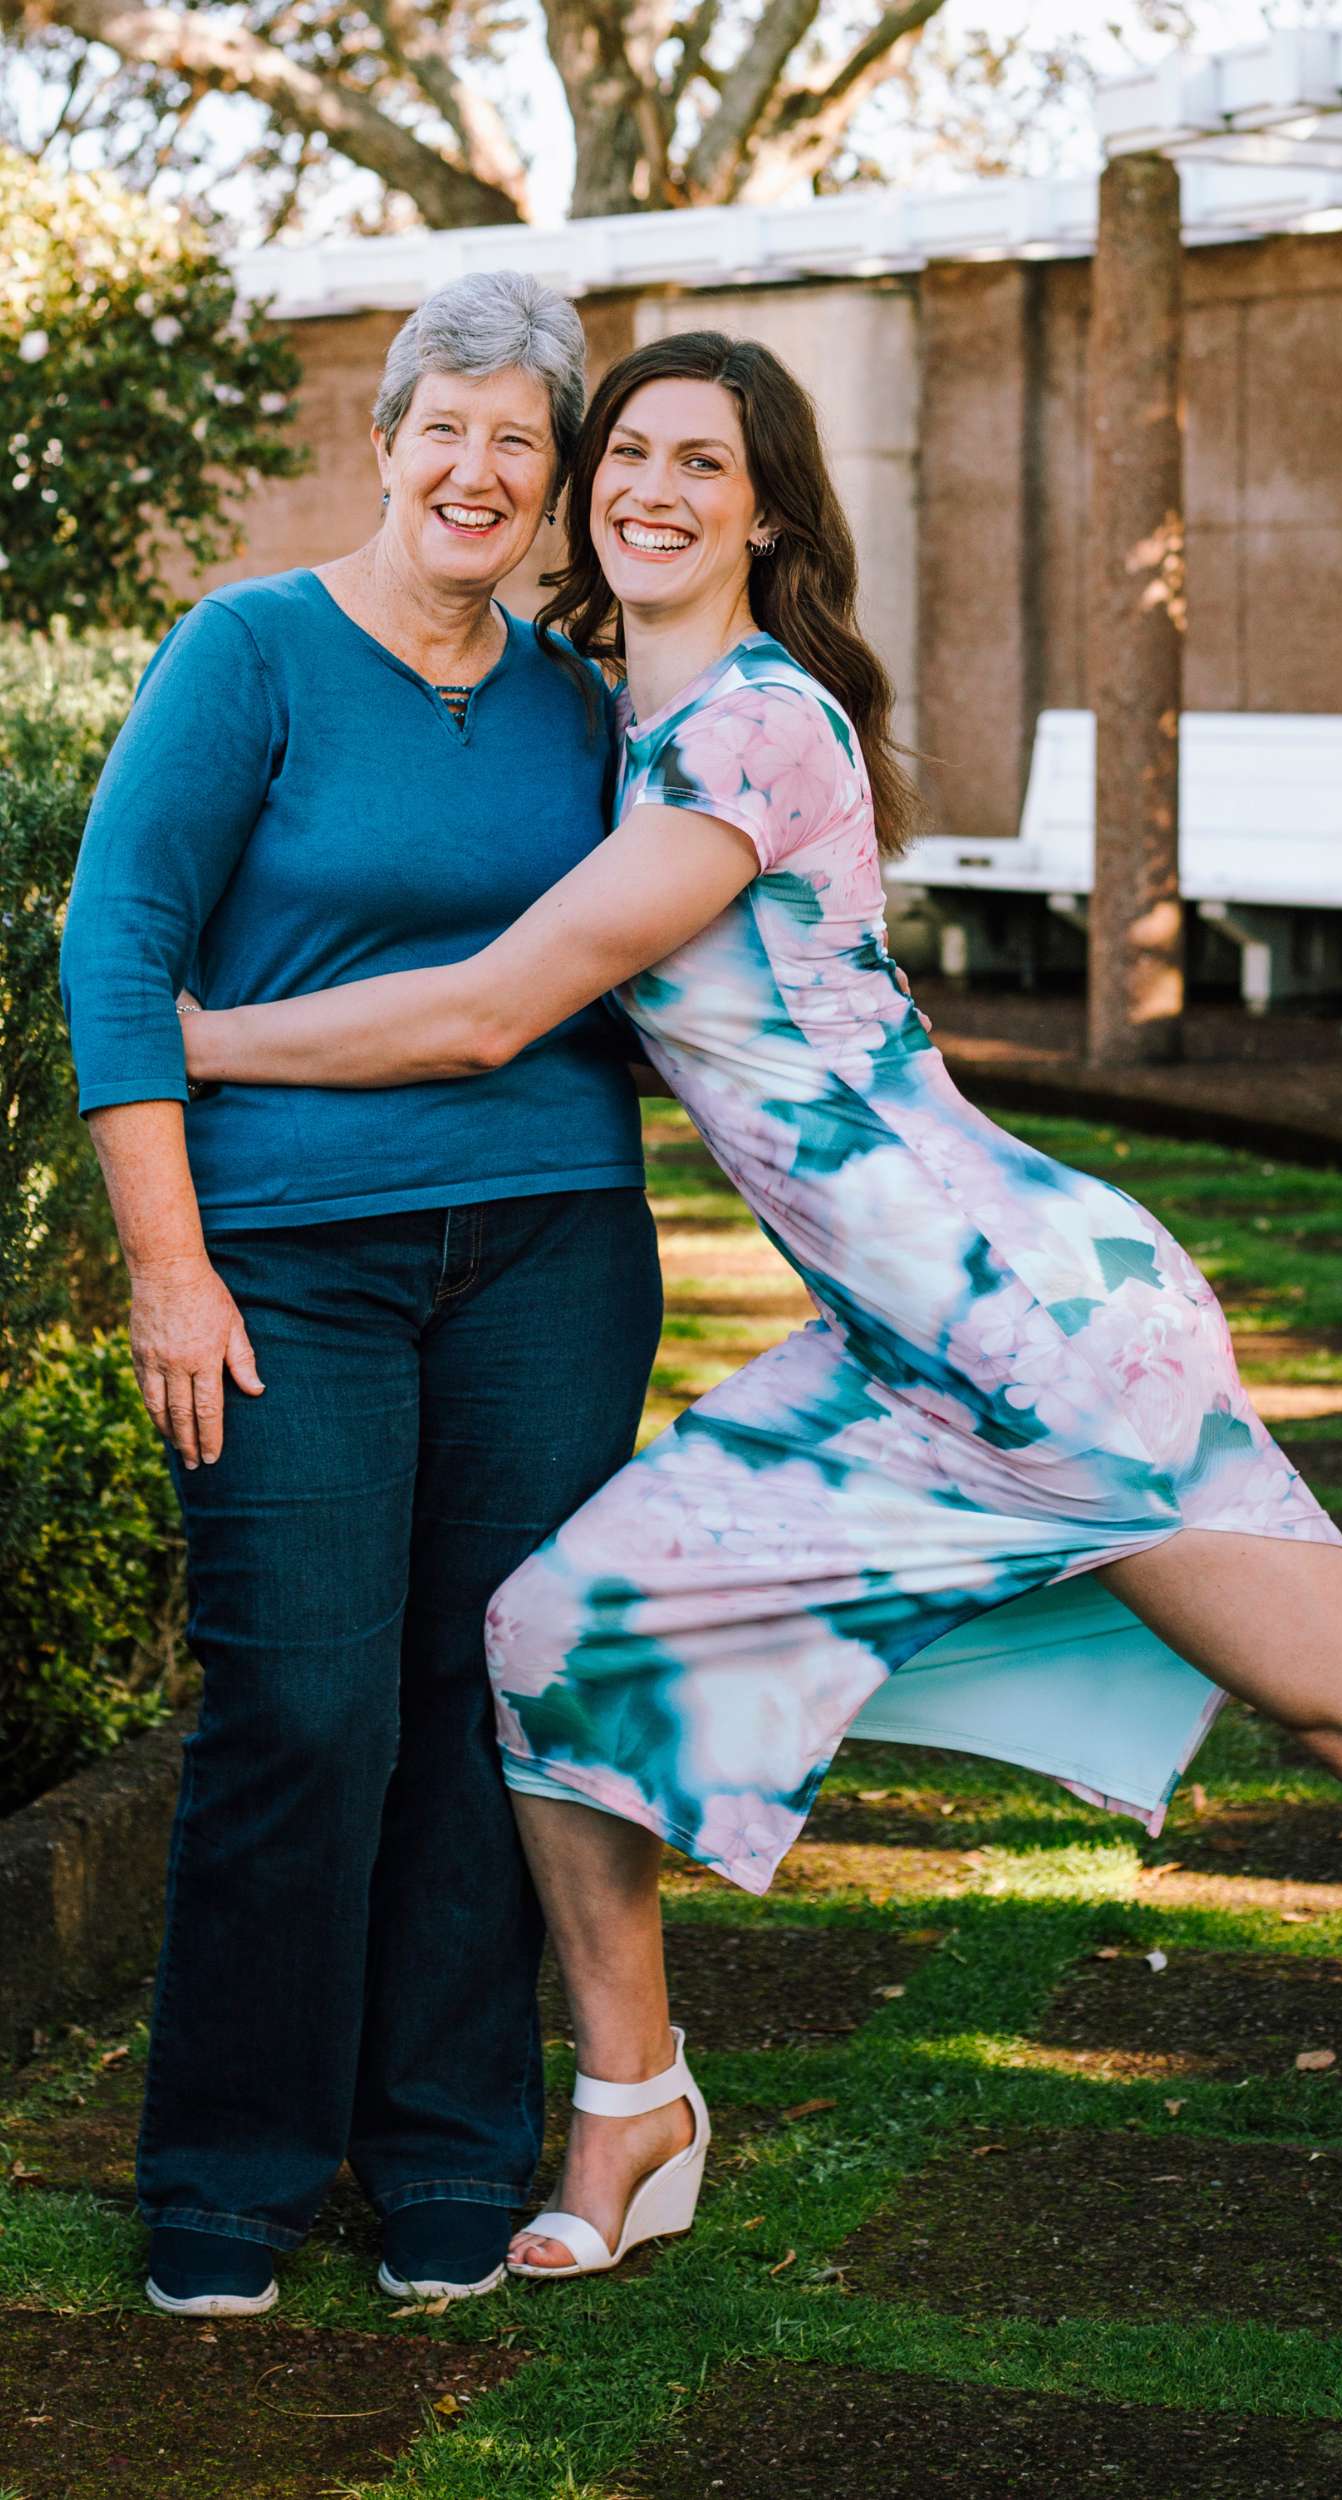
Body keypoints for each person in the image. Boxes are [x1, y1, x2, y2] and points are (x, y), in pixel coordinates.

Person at [177, 329, 1342, 2337]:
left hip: (1045, 1342)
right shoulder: (627, 722)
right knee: (553, 1631)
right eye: (626, 452)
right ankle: (635, 2103)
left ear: (771, 511)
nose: (649, 488)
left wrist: (197, 1039)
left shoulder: (755, 731)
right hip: (907, 1354)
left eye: (703, 462)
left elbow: (486, 1011)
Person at [59, 273, 659, 2320]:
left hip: (555, 1251)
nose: (478, 472)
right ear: (384, 442)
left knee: (490, 1699)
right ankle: (229, 2170)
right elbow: (117, 944)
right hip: (288, 1267)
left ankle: (447, 2146)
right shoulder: (249, 653)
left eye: (520, 443)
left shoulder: (584, 704)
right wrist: (168, 1264)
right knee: (302, 1708)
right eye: (447, 429)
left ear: (554, 485)